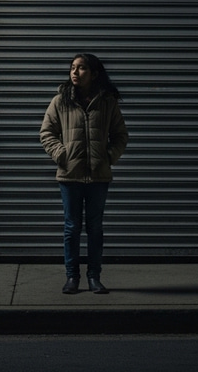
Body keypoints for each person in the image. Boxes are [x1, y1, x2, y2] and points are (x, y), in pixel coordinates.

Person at [40, 53, 129, 294]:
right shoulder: (60, 101)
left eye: (81, 68)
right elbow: (46, 133)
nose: (75, 72)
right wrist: (62, 154)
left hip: (98, 177)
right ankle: (72, 277)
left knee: (95, 228)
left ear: (94, 74)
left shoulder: (107, 102)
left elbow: (120, 135)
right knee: (71, 228)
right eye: (72, 68)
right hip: (70, 176)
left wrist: (108, 157)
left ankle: (94, 277)